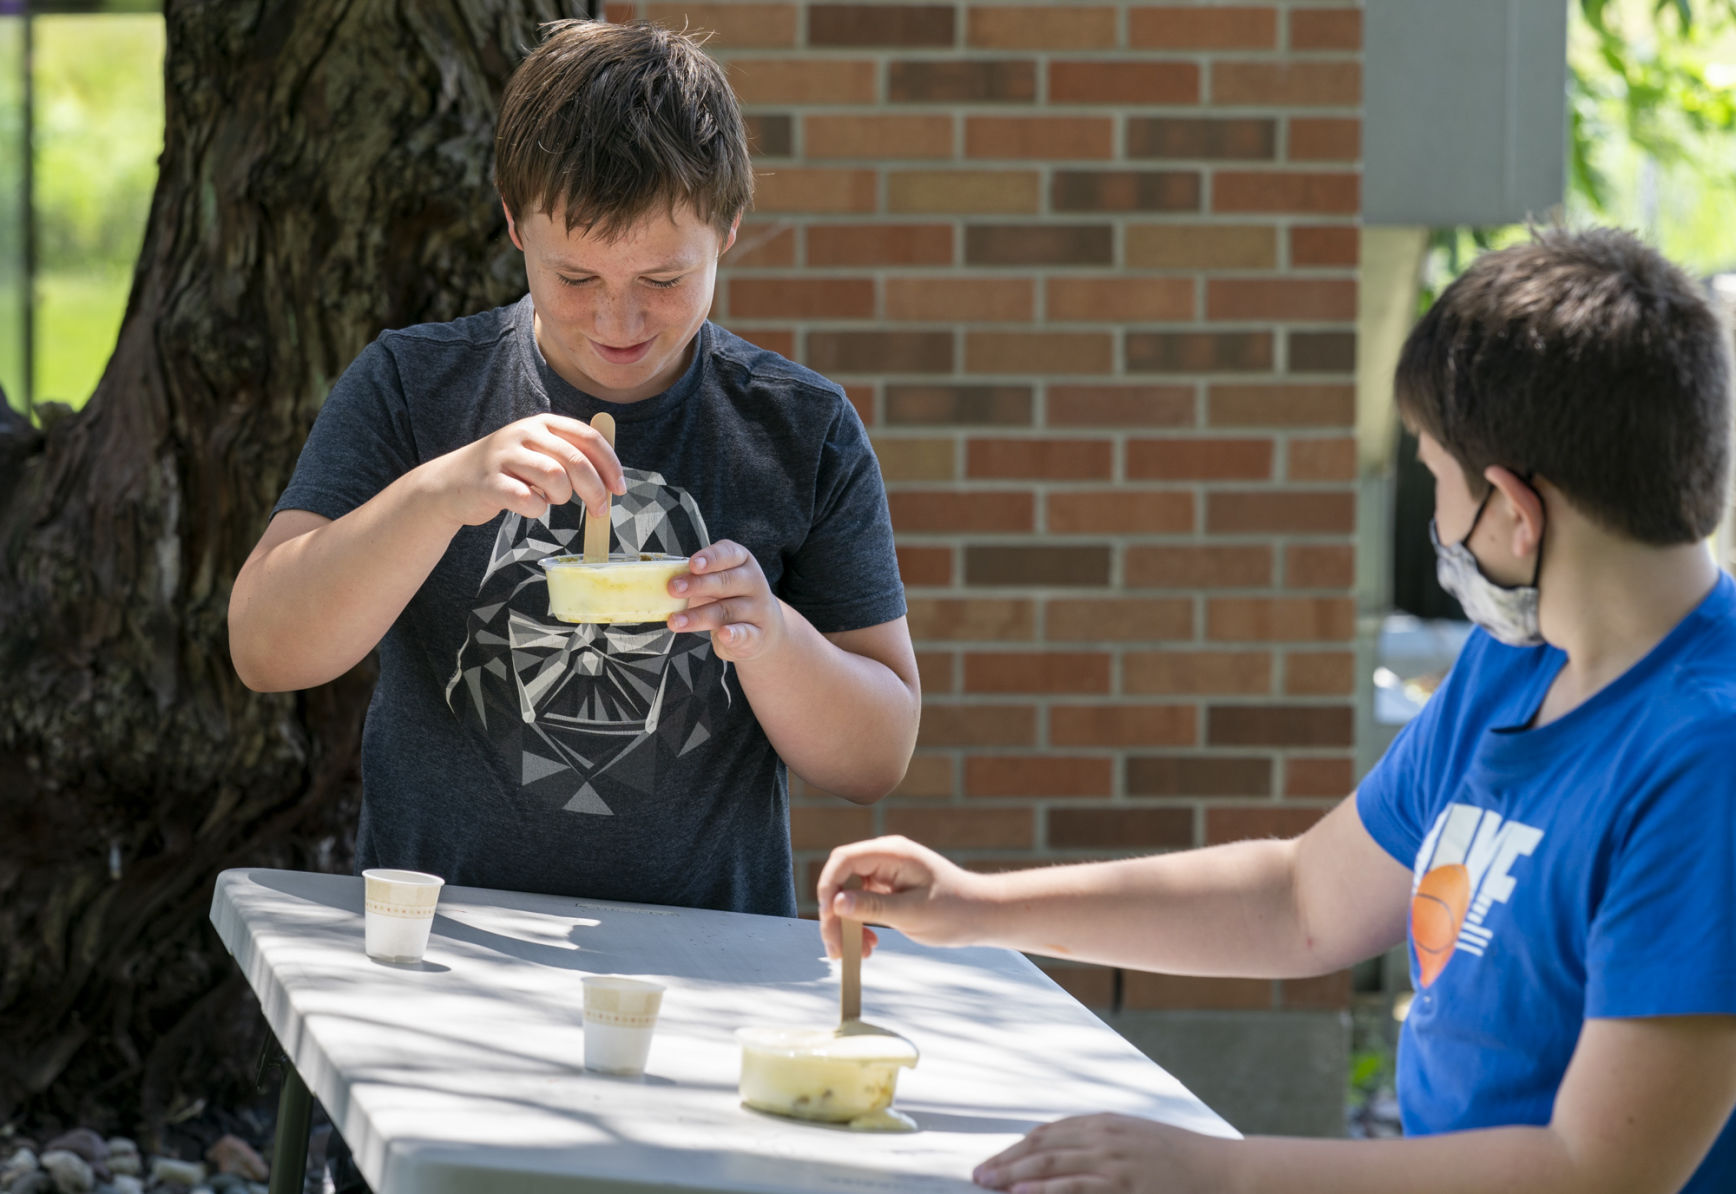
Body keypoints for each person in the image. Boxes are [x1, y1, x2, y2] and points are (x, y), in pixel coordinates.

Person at [818, 228, 1736, 1194]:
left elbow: (1599, 1172)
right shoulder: (1513, 662)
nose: (1438, 521)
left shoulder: (1707, 761)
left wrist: (1219, 1173)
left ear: (1513, 508)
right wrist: (975, 906)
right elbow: (1302, 901)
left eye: (1436, 478)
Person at [228, 17, 919, 918]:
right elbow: (264, 648)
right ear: (515, 225)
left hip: (708, 955)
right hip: (444, 949)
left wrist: (774, 639)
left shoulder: (801, 429)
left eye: (664, 282)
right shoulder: (416, 388)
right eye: (577, 278)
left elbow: (876, 758)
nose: (619, 321)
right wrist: (435, 496)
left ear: (730, 230)